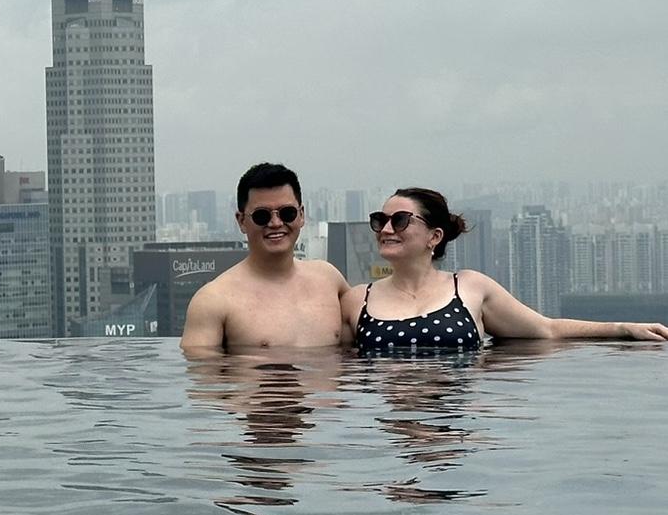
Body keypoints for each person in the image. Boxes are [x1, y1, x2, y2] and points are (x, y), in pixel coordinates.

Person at [343, 187, 668, 352]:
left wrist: (621, 328)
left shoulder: (469, 287)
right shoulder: (358, 299)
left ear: (434, 236)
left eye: (400, 220)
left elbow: (545, 328)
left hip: (452, 428)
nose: (386, 229)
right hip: (388, 439)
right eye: (379, 220)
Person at [180, 162, 349, 351]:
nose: (276, 223)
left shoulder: (329, 281)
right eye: (262, 216)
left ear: (301, 215)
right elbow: (202, 367)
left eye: (287, 213)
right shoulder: (213, 301)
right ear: (241, 221)